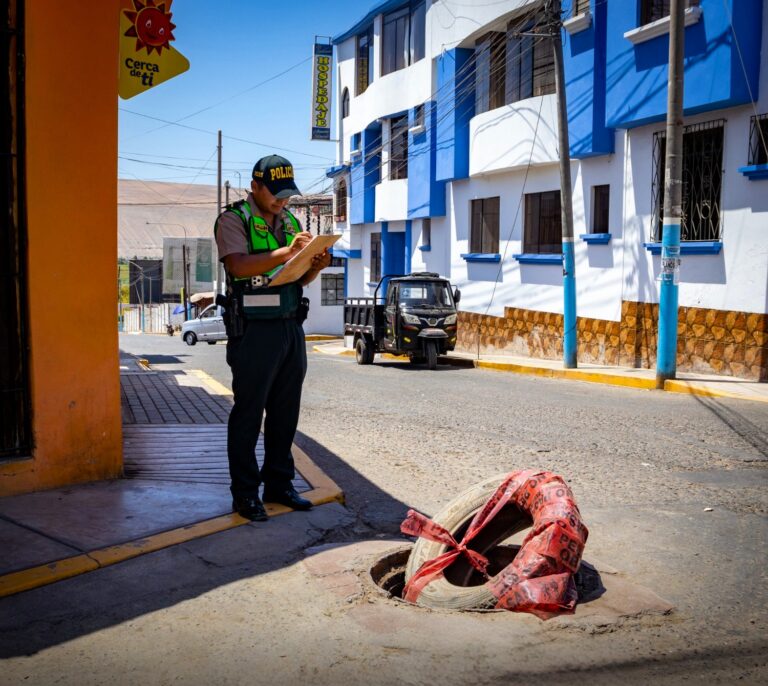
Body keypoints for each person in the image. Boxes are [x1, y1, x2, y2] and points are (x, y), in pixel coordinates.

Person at [214, 154, 331, 521]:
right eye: (276, 194)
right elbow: (238, 265)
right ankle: (246, 494)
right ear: (255, 187)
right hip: (254, 330)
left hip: (290, 326)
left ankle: (279, 484)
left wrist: (314, 266)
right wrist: (288, 251)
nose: (283, 202)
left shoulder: (291, 221)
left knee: (285, 414)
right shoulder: (233, 220)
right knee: (249, 414)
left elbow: (296, 278)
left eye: (287, 195)